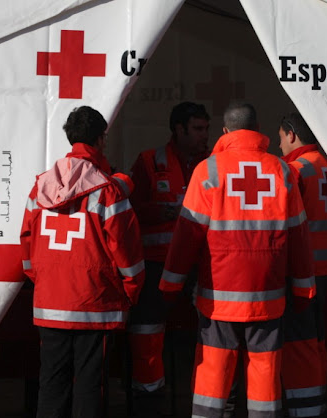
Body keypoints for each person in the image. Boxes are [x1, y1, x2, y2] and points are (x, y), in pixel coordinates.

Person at [159, 102, 315, 418]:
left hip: (219, 299)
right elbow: (299, 237)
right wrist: (303, 290)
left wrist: (169, 285)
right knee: (264, 377)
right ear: (257, 130)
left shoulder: (209, 170)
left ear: (226, 132)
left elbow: (186, 236)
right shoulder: (282, 170)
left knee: (213, 376)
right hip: (267, 297)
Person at [20, 106, 145, 418]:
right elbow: (127, 253)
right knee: (90, 386)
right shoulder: (108, 191)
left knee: (50, 384)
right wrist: (130, 292)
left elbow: (26, 242)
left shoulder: (41, 186)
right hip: (95, 304)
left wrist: (45, 281)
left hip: (50, 303)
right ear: (101, 139)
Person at [127, 102, 210, 404]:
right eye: (198, 129)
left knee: (210, 333)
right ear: (179, 129)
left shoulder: (214, 162)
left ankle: (205, 397)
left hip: (202, 265)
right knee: (147, 329)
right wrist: (162, 211)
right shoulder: (149, 161)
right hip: (157, 264)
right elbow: (128, 210)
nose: (205, 135)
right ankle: (148, 397)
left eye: (206, 128)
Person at [278, 112, 327, 417]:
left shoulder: (295, 169)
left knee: (298, 343)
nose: (280, 146)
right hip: (326, 270)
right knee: (317, 341)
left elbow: (282, 223)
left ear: (291, 134)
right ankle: (317, 400)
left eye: (280, 138)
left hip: (302, 273)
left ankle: (304, 408)